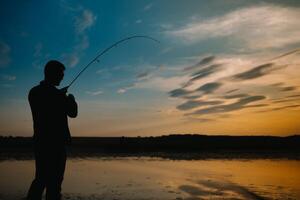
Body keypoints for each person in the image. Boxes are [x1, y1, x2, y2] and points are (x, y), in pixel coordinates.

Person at [27, 60, 78, 200]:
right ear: (52, 74)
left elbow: (48, 100)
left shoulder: (34, 92)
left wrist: (60, 95)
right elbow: (73, 113)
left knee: (40, 179)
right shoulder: (58, 96)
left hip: (40, 143)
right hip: (56, 144)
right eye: (60, 74)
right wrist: (71, 99)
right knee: (54, 183)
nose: (62, 77)